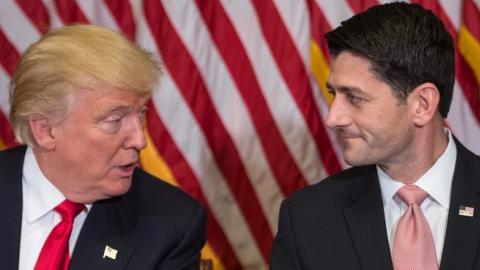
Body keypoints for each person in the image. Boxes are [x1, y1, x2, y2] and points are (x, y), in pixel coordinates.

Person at [270, 2, 480, 270]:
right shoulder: (306, 219)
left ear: (423, 105)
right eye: (335, 95)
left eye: (354, 98)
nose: (333, 119)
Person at [0, 24, 206, 270]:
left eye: (140, 114)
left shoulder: (171, 225)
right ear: (45, 130)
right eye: (115, 120)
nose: (140, 140)